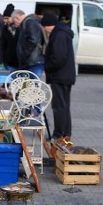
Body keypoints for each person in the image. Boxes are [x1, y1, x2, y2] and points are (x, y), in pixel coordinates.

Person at [41, 12, 76, 144]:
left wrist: (48, 67)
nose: (45, 30)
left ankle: (59, 134)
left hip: (60, 76)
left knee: (59, 106)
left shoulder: (59, 35)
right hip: (65, 75)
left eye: (45, 27)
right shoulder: (62, 32)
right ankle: (65, 133)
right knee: (64, 105)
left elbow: (59, 57)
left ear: (50, 25)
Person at [13, 9, 45, 78]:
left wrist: (24, 54)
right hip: (33, 61)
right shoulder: (29, 22)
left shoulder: (29, 22)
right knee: (30, 86)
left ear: (17, 18)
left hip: (33, 61)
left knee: (33, 86)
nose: (15, 24)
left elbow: (33, 40)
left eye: (14, 21)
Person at [1, 4, 19, 71]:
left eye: (7, 18)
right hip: (9, 62)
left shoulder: (20, 28)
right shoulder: (5, 29)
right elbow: (3, 45)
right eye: (4, 18)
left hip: (19, 62)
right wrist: (4, 60)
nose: (5, 20)